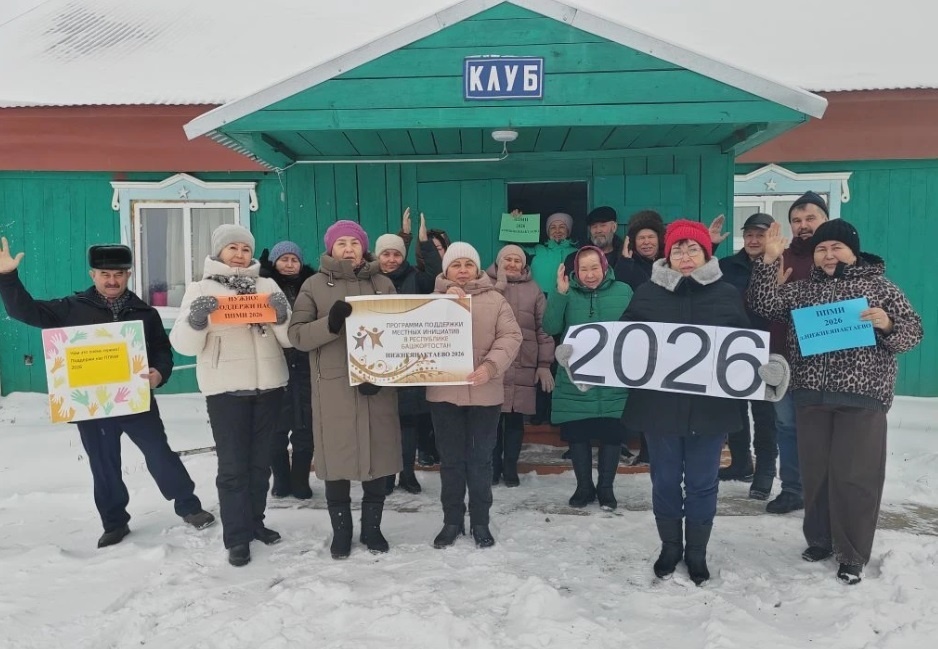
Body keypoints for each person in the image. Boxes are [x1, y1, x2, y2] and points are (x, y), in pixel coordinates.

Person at [0, 239, 215, 548]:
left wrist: (159, 372)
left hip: (135, 400)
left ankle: (189, 506)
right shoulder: (70, 308)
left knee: (160, 454)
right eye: (105, 274)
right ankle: (114, 523)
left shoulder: (144, 312)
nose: (112, 280)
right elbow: (25, 311)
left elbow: (161, 350)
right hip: (92, 405)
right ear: (93, 275)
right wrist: (7, 277)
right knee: (103, 464)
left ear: (128, 275)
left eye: (118, 274)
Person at [748, 219, 923, 585]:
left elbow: (912, 333)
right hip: (811, 395)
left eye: (836, 248)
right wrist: (768, 261)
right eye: (822, 249)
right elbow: (763, 303)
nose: (828, 255)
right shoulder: (803, 290)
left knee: (855, 476)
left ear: (853, 252)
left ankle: (852, 553)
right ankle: (820, 540)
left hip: (862, 397)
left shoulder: (880, 287)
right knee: (817, 474)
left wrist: (887, 324)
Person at [616, 220, 751, 585]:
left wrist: (764, 368)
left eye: (693, 248)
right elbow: (623, 342)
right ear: (668, 255)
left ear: (706, 253)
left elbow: (745, 343)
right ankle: (670, 546)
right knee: (664, 480)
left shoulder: (726, 293)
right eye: (677, 249)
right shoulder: (647, 293)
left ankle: (697, 552)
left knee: (703, 482)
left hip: (710, 409)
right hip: (659, 408)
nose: (685, 256)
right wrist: (583, 355)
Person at [170, 224, 291, 567]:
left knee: (260, 464)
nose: (240, 255)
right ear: (219, 251)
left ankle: (255, 522)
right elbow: (183, 345)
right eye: (233, 248)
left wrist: (282, 316)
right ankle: (237, 537)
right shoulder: (201, 288)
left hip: (269, 387)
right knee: (234, 468)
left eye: (245, 249)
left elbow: (289, 338)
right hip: (226, 391)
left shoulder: (267, 285)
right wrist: (196, 320)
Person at [287, 220, 402, 560]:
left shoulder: (383, 283)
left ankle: (372, 529)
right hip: (333, 388)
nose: (348, 248)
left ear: (364, 247)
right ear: (330, 248)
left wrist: (384, 374)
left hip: (377, 386)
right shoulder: (313, 285)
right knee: (336, 460)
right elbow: (297, 335)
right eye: (341, 243)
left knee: (377, 458)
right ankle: (342, 532)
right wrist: (331, 323)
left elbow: (399, 332)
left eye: (354, 242)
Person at [427, 242, 522, 549]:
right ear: (446, 270)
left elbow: (511, 336)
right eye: (456, 265)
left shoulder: (496, 299)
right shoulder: (430, 302)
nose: (463, 270)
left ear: (478, 268)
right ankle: (452, 521)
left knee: (481, 461)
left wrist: (490, 366)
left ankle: (480, 521)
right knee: (451, 461)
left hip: (485, 394)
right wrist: (445, 304)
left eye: (469, 264)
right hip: (444, 394)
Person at [542, 246, 633, 510]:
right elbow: (550, 326)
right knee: (577, 433)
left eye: (594, 268)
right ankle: (584, 487)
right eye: (584, 269)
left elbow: (636, 327)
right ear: (575, 271)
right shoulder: (566, 292)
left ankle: (606, 488)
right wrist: (559, 294)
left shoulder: (624, 291)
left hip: (613, 376)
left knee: (612, 434)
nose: (590, 274)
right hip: (575, 377)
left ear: (604, 267)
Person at [763, 191, 829, 515]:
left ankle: (823, 493)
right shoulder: (780, 257)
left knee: (823, 430)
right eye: (797, 220)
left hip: (826, 364)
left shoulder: (839, 258)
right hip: (783, 359)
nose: (803, 225)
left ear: (825, 219)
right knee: (787, 427)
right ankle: (792, 489)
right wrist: (767, 269)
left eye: (810, 218)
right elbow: (757, 303)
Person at [376, 208, 443, 495]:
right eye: (386, 254)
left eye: (397, 254)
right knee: (383, 424)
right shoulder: (369, 278)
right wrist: (402, 236)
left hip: (410, 361)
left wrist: (423, 242)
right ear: (377, 256)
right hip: (378, 360)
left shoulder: (416, 278)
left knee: (408, 424)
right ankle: (386, 475)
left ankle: (407, 473)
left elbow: (436, 274)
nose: (391, 259)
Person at [718, 213, 779, 499]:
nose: (754, 240)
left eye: (760, 235)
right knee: (734, 409)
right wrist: (710, 246)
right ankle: (741, 462)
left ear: (771, 237)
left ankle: (765, 470)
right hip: (734, 347)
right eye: (749, 235)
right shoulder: (727, 265)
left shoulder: (782, 264)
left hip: (769, 347)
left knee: (765, 413)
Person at [486, 244, 555, 487]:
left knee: (515, 420)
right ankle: (493, 467)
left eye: (517, 260)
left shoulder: (534, 289)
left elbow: (543, 329)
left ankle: (510, 467)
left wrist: (544, 363)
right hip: (493, 361)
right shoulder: (485, 283)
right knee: (492, 419)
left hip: (523, 361)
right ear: (498, 262)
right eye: (508, 259)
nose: (512, 264)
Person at [259, 241, 316, 500]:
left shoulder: (311, 286)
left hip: (305, 362)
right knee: (276, 426)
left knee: (305, 424)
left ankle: (300, 479)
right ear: (274, 262)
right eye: (284, 259)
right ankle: (281, 478)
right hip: (274, 362)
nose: (290, 264)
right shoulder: (263, 286)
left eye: (295, 259)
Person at [522, 211, 578, 296]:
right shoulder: (537, 250)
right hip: (537, 300)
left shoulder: (577, 253)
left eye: (562, 227)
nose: (557, 231)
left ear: (568, 231)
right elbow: (513, 250)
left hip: (567, 299)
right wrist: (515, 220)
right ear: (548, 232)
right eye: (553, 227)